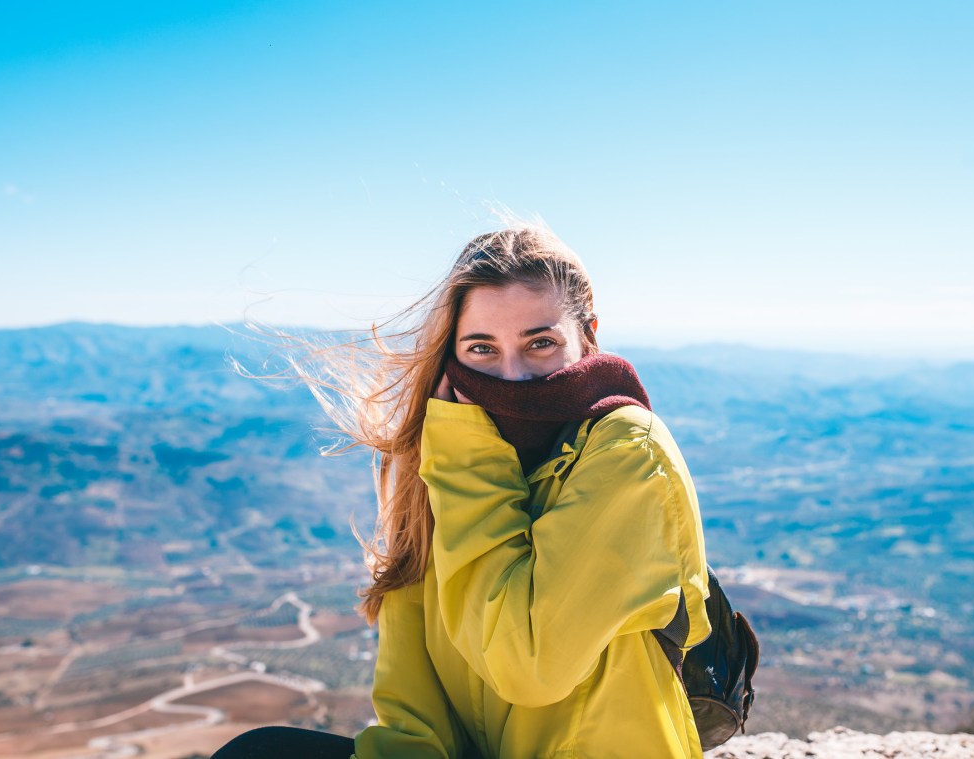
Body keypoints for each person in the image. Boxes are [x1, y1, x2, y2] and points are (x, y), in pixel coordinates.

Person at [213, 221, 712, 758]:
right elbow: (414, 718)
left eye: (540, 343)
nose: (513, 378)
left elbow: (529, 666)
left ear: (588, 335)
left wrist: (472, 462)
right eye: (482, 349)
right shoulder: (440, 464)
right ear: (451, 355)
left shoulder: (627, 451)